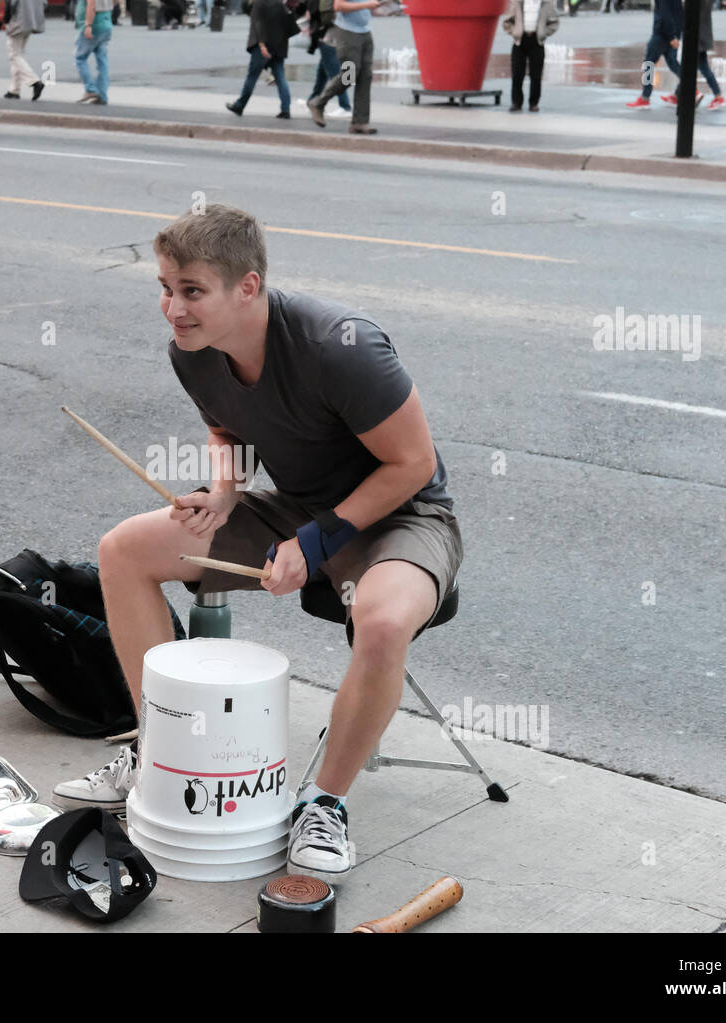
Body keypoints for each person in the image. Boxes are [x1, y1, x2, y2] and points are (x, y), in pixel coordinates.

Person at [52, 204, 461, 881]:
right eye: (164, 287)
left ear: (247, 287)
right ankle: (156, 751)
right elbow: (229, 431)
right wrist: (224, 495)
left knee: (383, 621)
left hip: (401, 515)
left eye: (190, 291)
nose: (171, 308)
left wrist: (316, 539)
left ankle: (323, 802)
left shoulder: (340, 346)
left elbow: (412, 464)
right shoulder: (195, 351)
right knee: (123, 549)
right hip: (299, 507)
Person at [307, 0, 381, 134]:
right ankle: (318, 103)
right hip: (347, 33)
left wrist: (379, 8)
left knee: (366, 76)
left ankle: (360, 122)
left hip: (365, 32)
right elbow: (338, 6)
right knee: (350, 74)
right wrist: (366, 5)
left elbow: (367, 8)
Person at [226, 0, 295, 119]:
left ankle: (240, 105)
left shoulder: (258, 3)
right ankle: (286, 109)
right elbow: (288, 23)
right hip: (278, 46)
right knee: (280, 77)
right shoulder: (279, 3)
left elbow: (259, 24)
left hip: (263, 46)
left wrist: (262, 45)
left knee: (252, 76)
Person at [660, 0, 723, 110]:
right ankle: (677, 95)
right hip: (701, 36)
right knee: (690, 68)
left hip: (697, 37)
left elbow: (688, 13)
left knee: (701, 68)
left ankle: (718, 96)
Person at [502, 0, 558, 112]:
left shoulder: (546, 3)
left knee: (536, 75)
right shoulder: (517, 2)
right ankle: (516, 102)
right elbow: (507, 21)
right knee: (517, 73)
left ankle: (533, 103)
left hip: (536, 41)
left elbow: (554, 22)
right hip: (520, 41)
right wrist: (515, 32)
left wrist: (543, 33)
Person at [625, 0, 682, 109]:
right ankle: (688, 86)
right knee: (673, 63)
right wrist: (676, 34)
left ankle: (645, 98)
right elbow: (679, 12)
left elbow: (664, 13)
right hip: (672, 32)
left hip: (661, 34)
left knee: (648, 64)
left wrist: (671, 36)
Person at [0, 0, 45, 100]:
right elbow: (44, 3)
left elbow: (10, 3)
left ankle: (34, 81)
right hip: (31, 22)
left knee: (14, 56)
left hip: (18, 21)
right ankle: (14, 90)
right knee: (18, 56)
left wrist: (5, 21)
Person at [74, 0, 113, 104]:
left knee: (80, 58)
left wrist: (88, 25)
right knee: (102, 61)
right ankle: (102, 95)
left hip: (95, 24)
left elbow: (91, 5)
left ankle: (91, 89)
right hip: (106, 22)